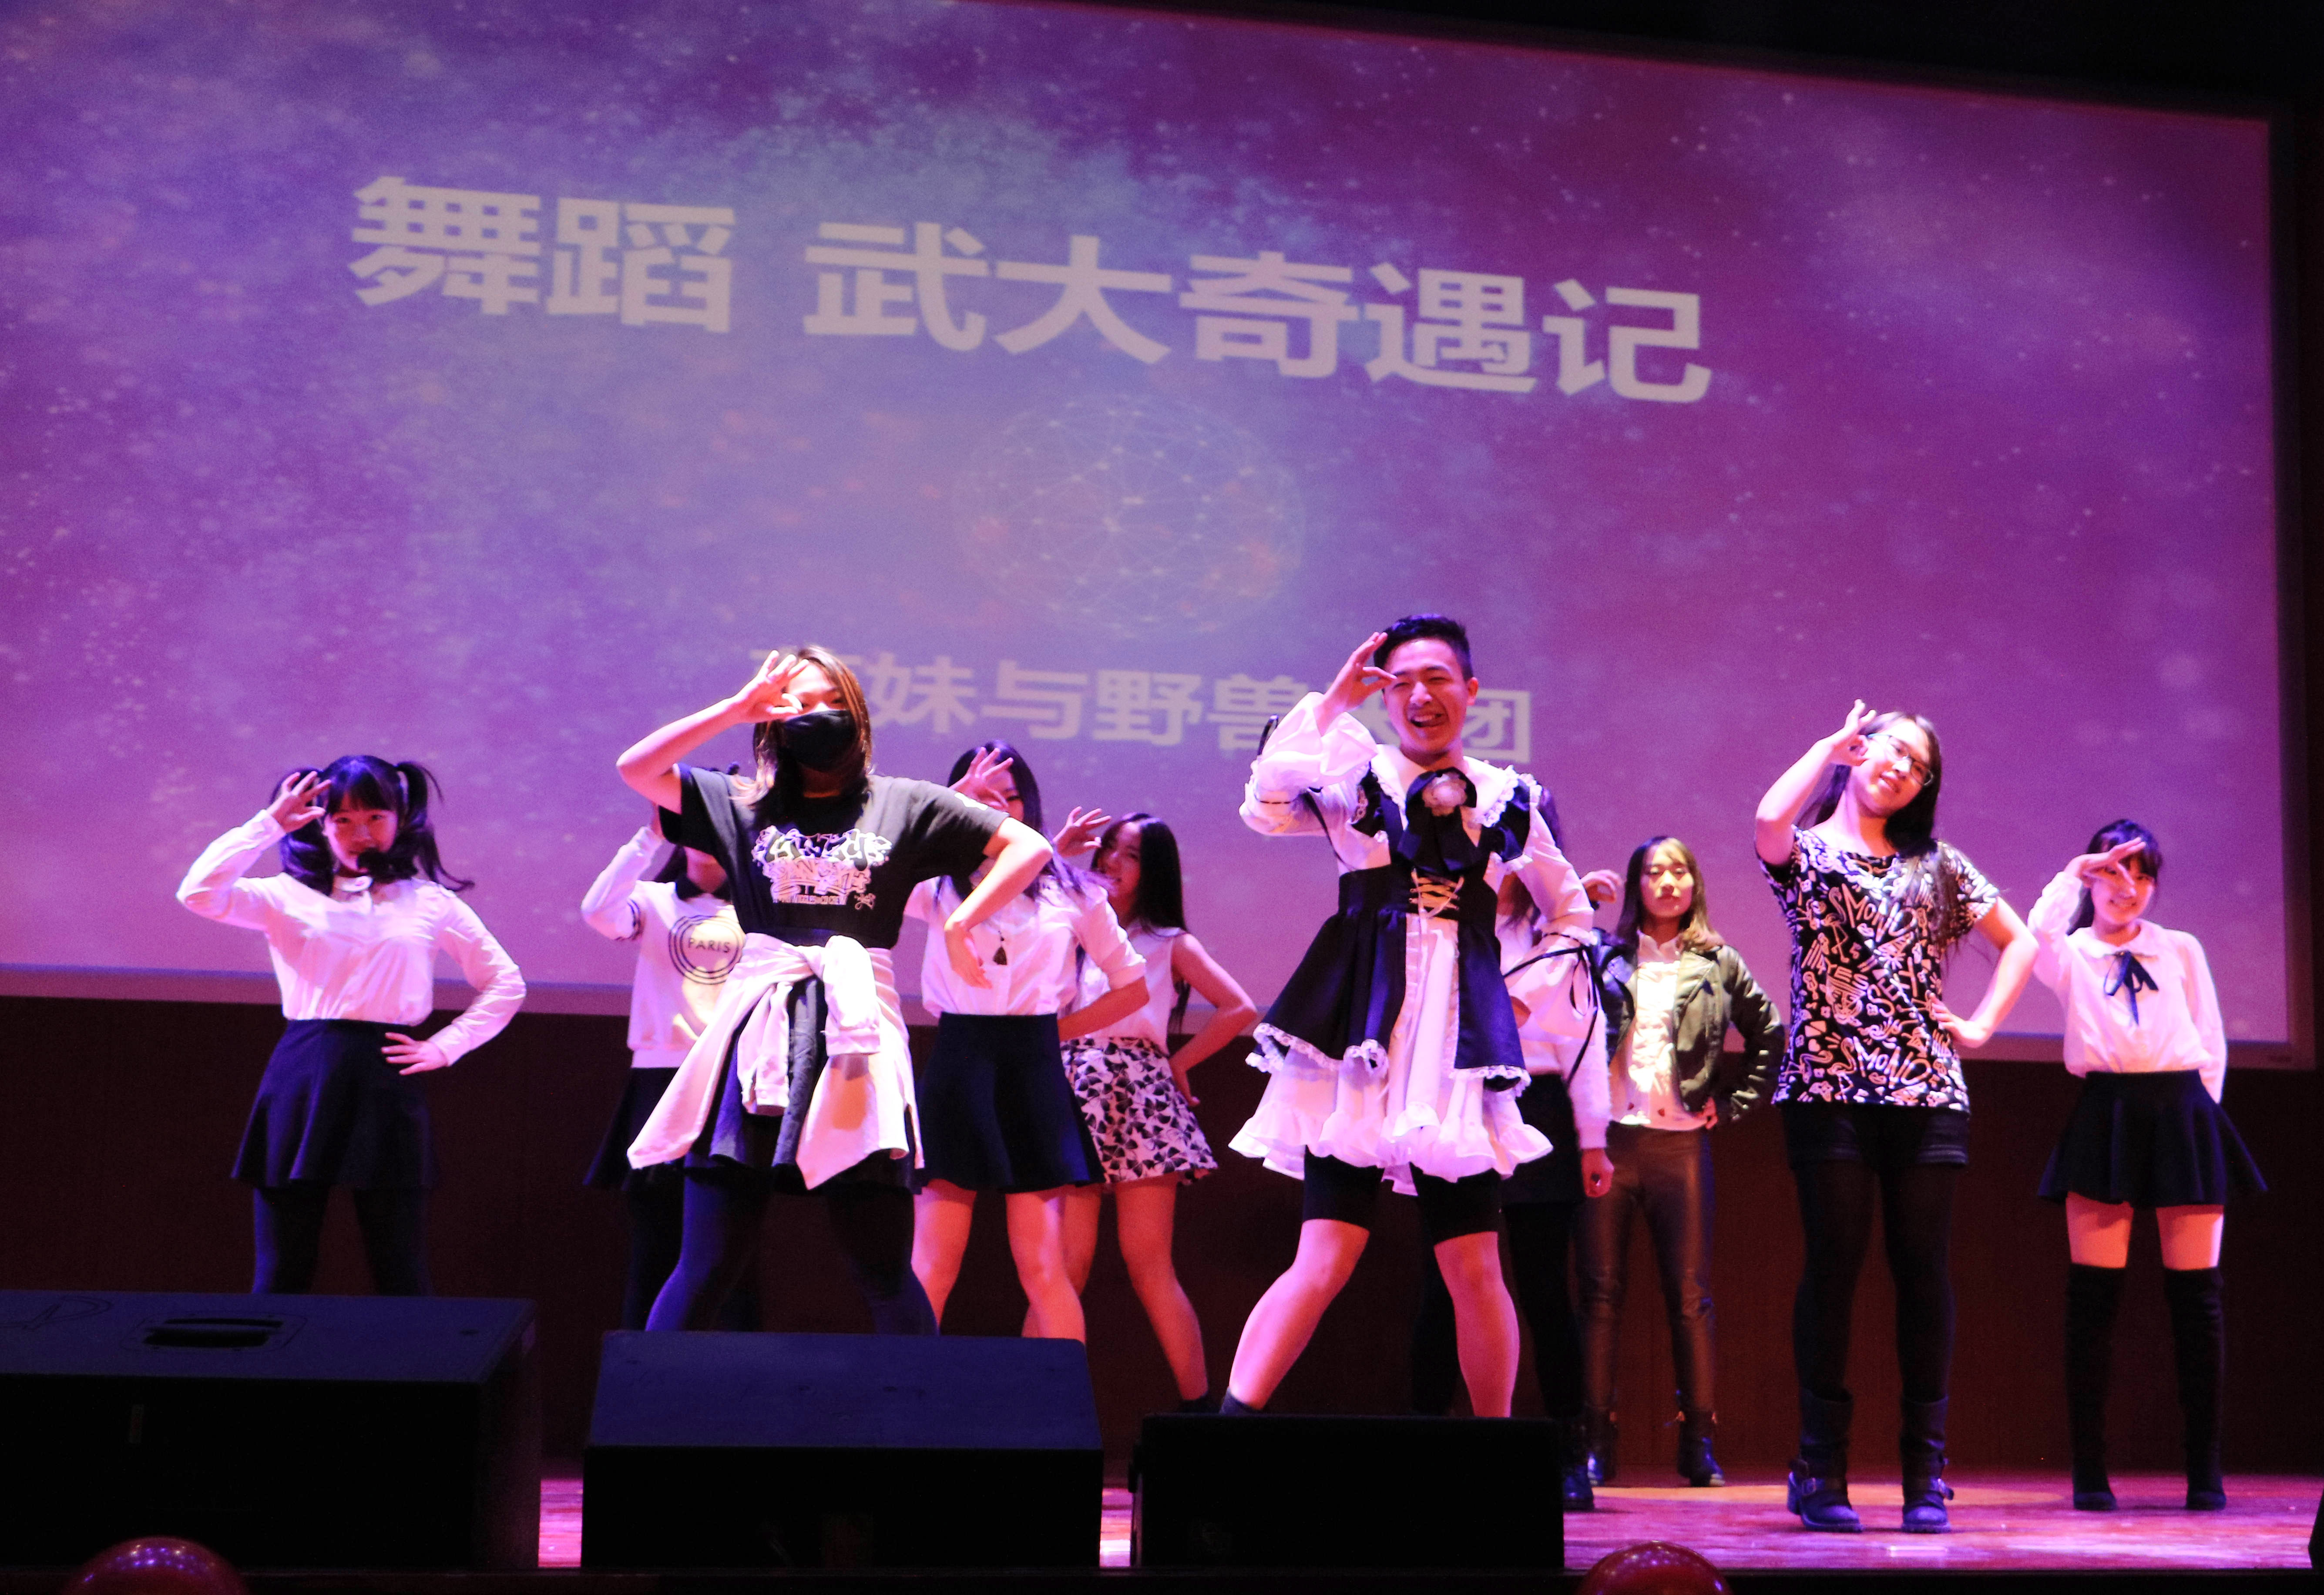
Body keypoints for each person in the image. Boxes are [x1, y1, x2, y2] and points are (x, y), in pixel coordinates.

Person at [618, 648, 1052, 1333]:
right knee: (706, 1265)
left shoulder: (904, 802)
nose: (816, 714)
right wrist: (734, 709)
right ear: (772, 719)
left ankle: (913, 1405)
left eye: (831, 700)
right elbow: (636, 769)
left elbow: (1029, 847)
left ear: (857, 713)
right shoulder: (741, 803)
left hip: (857, 1041)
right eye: (798, 701)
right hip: (757, 1037)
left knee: (883, 1269)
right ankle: (648, 1402)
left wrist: (963, 921)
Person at [1223, 616, 1592, 1418]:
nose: (1422, 695)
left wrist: (1517, 997)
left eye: (1438, 678)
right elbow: (1266, 804)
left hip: (1456, 1051)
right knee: (1323, 1256)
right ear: (1384, 696)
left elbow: (1572, 914)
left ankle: (1495, 1451)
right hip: (1358, 1037)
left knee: (1474, 1267)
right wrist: (1332, 703)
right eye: (1403, 683)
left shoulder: (1510, 796)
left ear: (1472, 690)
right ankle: (1228, 1431)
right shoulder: (1353, 778)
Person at [1754, 701, 2036, 1533]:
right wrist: (1823, 747)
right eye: (1893, 750)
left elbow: (2020, 941)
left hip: (1925, 1090)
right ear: (1861, 750)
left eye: (1919, 765)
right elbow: (1768, 819)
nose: (1901, 768)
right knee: (1833, 1270)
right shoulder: (1809, 852)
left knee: (1923, 1274)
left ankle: (1925, 1474)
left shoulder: (1938, 865)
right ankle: (1821, 1469)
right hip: (1829, 1087)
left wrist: (1981, 1025)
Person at [177, 757, 524, 1296]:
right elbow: (198, 894)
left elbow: (506, 982)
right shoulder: (285, 894)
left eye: (375, 817)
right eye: (343, 820)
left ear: (401, 818)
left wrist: (445, 1046)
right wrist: (267, 825)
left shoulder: (430, 902)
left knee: (400, 1268)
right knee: (283, 1268)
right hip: (305, 1072)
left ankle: (409, 1355)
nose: (361, 833)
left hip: (387, 1073)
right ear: (321, 825)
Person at [2029, 821, 2264, 1512]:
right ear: (2092, 879)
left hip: (2183, 1111)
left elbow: (2210, 1038)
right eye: (2112, 871)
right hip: (2107, 1113)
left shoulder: (2181, 948)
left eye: (2141, 873)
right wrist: (2073, 871)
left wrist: (2199, 1123)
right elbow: (2036, 934)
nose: (2127, 886)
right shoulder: (2073, 951)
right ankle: (2090, 1472)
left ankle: (2205, 1473)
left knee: (2198, 1302)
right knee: (2093, 1302)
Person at [906, 743, 1148, 1344]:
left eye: (1009, 798)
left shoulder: (1075, 892)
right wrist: (951, 803)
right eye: (981, 799)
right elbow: (883, 859)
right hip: (958, 1063)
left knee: (1043, 1267)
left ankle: (1064, 1399)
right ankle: (902, 1398)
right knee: (932, 1263)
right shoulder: (933, 885)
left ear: (1029, 805)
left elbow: (1133, 987)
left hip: (1032, 1068)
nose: (996, 809)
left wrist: (1052, 1033)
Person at [1576, 835, 1782, 1492]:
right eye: (1654, 872)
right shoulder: (1604, 955)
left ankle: (1698, 1445)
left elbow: (1770, 1031)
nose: (1667, 882)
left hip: (1681, 1145)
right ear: (1636, 884)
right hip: (1610, 1140)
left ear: (1694, 883)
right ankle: (1595, 1445)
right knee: (1599, 1298)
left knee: (1691, 1299)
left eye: (1679, 871)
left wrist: (1735, 1101)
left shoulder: (1717, 960)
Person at [1410, 865, 1612, 1505]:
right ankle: (1426, 1439)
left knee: (1545, 1286)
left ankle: (1567, 1451)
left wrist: (1594, 1137)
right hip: (1454, 1102)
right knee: (1444, 1287)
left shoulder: (1557, 932)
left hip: (1538, 1106)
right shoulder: (1440, 917)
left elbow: (1585, 1041)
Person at [1047, 812, 1258, 1408]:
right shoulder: (1071, 928)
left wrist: (1178, 1062)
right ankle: (1033, 1410)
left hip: (1140, 1090)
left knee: (1150, 1266)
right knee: (1063, 1266)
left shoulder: (1169, 943)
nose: (1112, 860)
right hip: (1072, 1085)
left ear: (1155, 870)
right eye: (1110, 848)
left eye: (1131, 854)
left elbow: (1239, 1008)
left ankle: (1199, 1414)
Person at [579, 814, 757, 1330]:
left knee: (732, 1245)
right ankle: (643, 1366)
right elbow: (597, 911)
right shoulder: (654, 900)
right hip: (660, 1077)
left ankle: (737, 1372)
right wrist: (650, 835)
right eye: (695, 818)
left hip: (732, 1079)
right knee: (654, 1239)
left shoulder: (759, 905)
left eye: (716, 818)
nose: (705, 831)